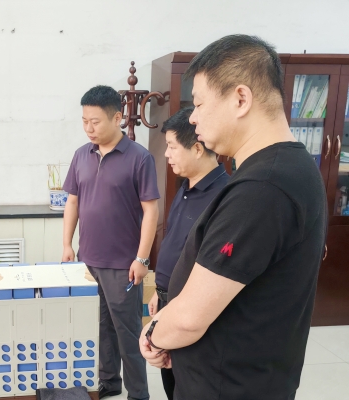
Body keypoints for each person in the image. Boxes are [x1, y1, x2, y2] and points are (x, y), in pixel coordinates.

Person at [139, 35, 327, 400]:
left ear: (241, 99)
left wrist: (152, 335)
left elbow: (190, 319)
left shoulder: (263, 187)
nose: (193, 117)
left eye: (199, 103)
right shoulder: (289, 167)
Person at [62, 85, 159, 400]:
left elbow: (151, 211)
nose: (88, 128)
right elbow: (73, 202)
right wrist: (67, 245)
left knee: (127, 332)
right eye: (84, 121)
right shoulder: (81, 155)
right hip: (88, 260)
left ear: (117, 118)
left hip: (123, 265)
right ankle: (109, 382)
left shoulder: (139, 158)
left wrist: (142, 259)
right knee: (101, 328)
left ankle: (138, 393)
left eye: (95, 122)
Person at [149, 106, 229, 400]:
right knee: (169, 380)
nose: (166, 154)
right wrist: (159, 289)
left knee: (188, 383)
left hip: (191, 309)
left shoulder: (223, 197)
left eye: (172, 147)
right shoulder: (184, 188)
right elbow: (175, 243)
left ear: (197, 148)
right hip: (167, 299)